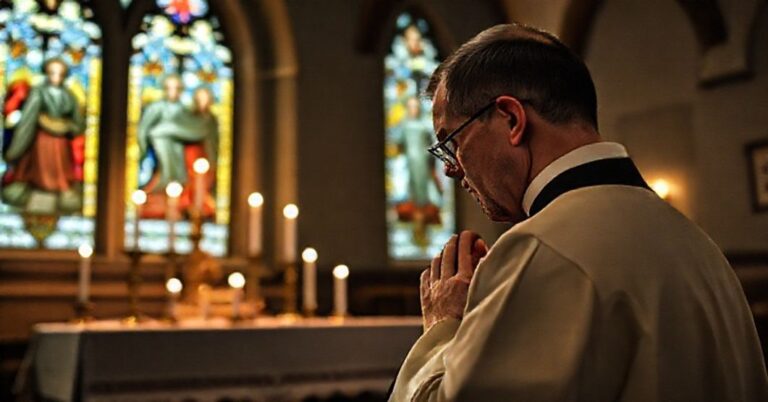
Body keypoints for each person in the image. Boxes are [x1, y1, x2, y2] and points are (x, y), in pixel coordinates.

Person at [389, 23, 768, 401]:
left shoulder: (540, 249)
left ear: (511, 119)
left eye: (452, 142)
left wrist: (443, 325)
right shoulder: (699, 246)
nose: (451, 169)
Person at [1, 58, 86, 214]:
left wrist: (67, 126)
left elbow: (78, 122)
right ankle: (28, 186)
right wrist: (16, 147)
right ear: (47, 73)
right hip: (40, 140)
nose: (56, 77)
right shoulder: (38, 92)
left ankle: (63, 190)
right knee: (38, 164)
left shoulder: (69, 96)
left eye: (60, 74)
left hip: (61, 142)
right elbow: (28, 117)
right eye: (52, 73)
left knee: (60, 167)